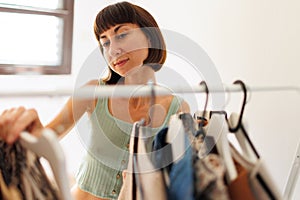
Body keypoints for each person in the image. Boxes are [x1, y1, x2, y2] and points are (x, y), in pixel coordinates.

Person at [0, 1, 190, 200]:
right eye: (105, 42)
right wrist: (30, 132)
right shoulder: (93, 92)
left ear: (150, 36)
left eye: (122, 34)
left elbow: (179, 178)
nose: (113, 50)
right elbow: (47, 136)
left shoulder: (177, 108)